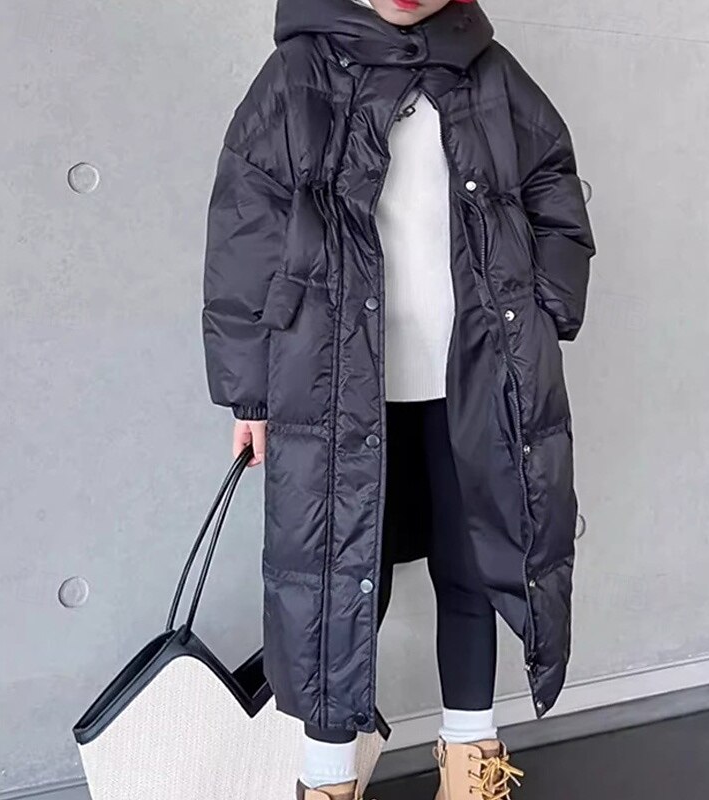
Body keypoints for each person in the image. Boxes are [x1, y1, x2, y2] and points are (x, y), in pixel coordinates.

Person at [202, 0, 595, 797]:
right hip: (333, 386)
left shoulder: (490, 73)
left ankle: (471, 761)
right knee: (335, 576)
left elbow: (553, 182)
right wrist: (248, 394)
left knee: (472, 563)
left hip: (472, 379)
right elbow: (244, 230)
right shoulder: (297, 74)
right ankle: (326, 781)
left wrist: (546, 305)